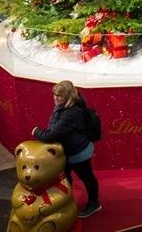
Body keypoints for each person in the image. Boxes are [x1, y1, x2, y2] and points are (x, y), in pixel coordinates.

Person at [31, 80, 101, 218]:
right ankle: (66, 202)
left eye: (60, 96)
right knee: (66, 178)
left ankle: (94, 203)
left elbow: (51, 135)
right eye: (55, 95)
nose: (56, 98)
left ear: (68, 96)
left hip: (78, 152)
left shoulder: (71, 113)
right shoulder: (65, 105)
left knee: (86, 177)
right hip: (69, 150)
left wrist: (36, 131)